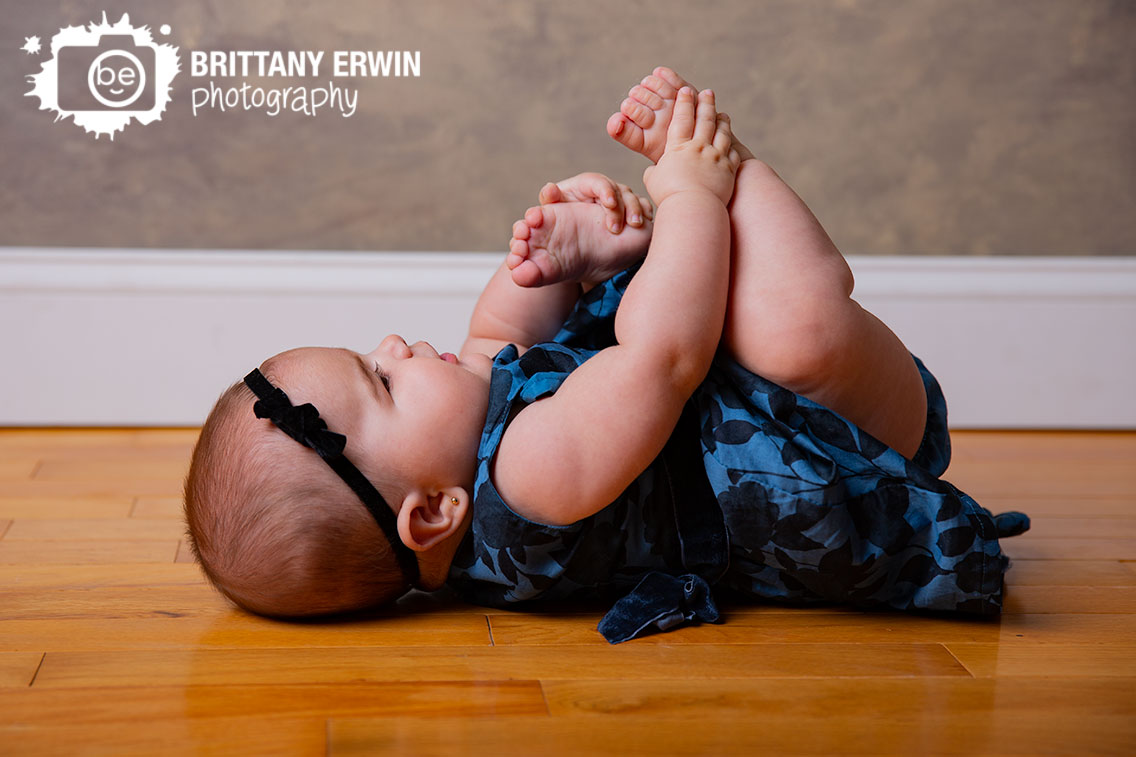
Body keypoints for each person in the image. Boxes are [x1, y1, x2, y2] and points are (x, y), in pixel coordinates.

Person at [184, 68, 1027, 642]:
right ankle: (723, 164)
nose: (394, 344)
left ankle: (690, 204)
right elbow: (663, 356)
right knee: (788, 328)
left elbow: (497, 335)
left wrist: (558, 263)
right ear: (433, 513)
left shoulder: (465, 441)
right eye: (382, 379)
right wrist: (691, 197)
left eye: (372, 350)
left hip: (763, 400)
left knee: (763, 327)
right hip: (848, 449)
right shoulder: (531, 478)